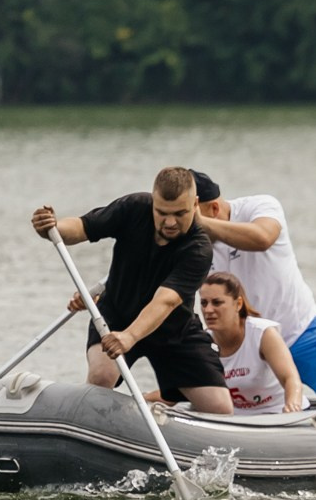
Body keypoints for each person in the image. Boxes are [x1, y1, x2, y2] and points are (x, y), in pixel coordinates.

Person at [30, 167, 231, 414]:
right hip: (116, 316)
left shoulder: (199, 248)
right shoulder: (134, 207)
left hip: (173, 329)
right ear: (153, 202)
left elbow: (165, 301)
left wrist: (130, 336)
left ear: (195, 204)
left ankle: (170, 422)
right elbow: (83, 227)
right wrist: (53, 228)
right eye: (162, 213)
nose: (170, 222)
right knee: (102, 376)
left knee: (219, 407)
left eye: (180, 213)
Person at [192, 173, 316, 398]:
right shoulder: (187, 242)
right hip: (237, 349)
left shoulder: (260, 206)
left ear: (213, 209)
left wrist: (200, 224)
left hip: (298, 333)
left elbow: (263, 238)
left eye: (188, 218)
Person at [199, 272, 309, 414]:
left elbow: (290, 378)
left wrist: (292, 406)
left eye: (217, 302)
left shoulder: (263, 333)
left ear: (238, 304)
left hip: (279, 412)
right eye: (204, 303)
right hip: (237, 418)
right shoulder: (203, 342)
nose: (208, 310)